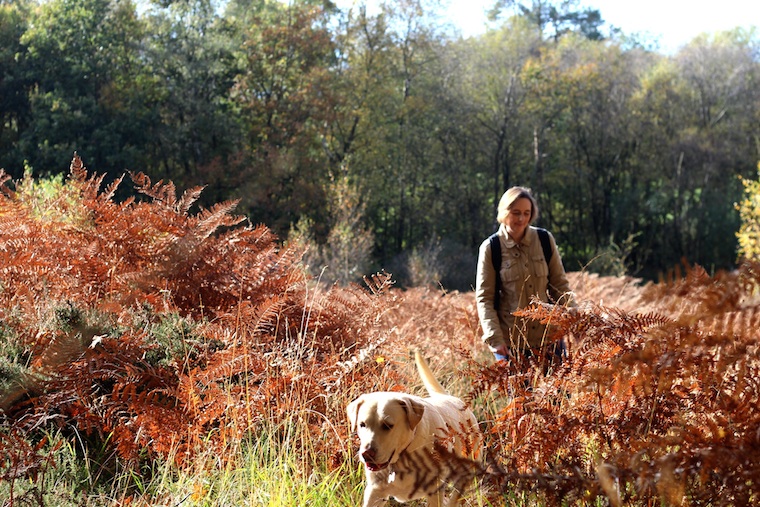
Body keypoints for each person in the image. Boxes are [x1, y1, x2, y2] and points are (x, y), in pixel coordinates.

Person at [476, 186, 574, 362]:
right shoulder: (492, 248)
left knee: (560, 391)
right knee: (521, 391)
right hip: (512, 343)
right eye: (516, 213)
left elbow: (560, 285)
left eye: (526, 213)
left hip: (550, 339)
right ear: (505, 212)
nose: (521, 219)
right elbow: (485, 299)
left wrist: (575, 319)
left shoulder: (544, 240)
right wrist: (495, 339)